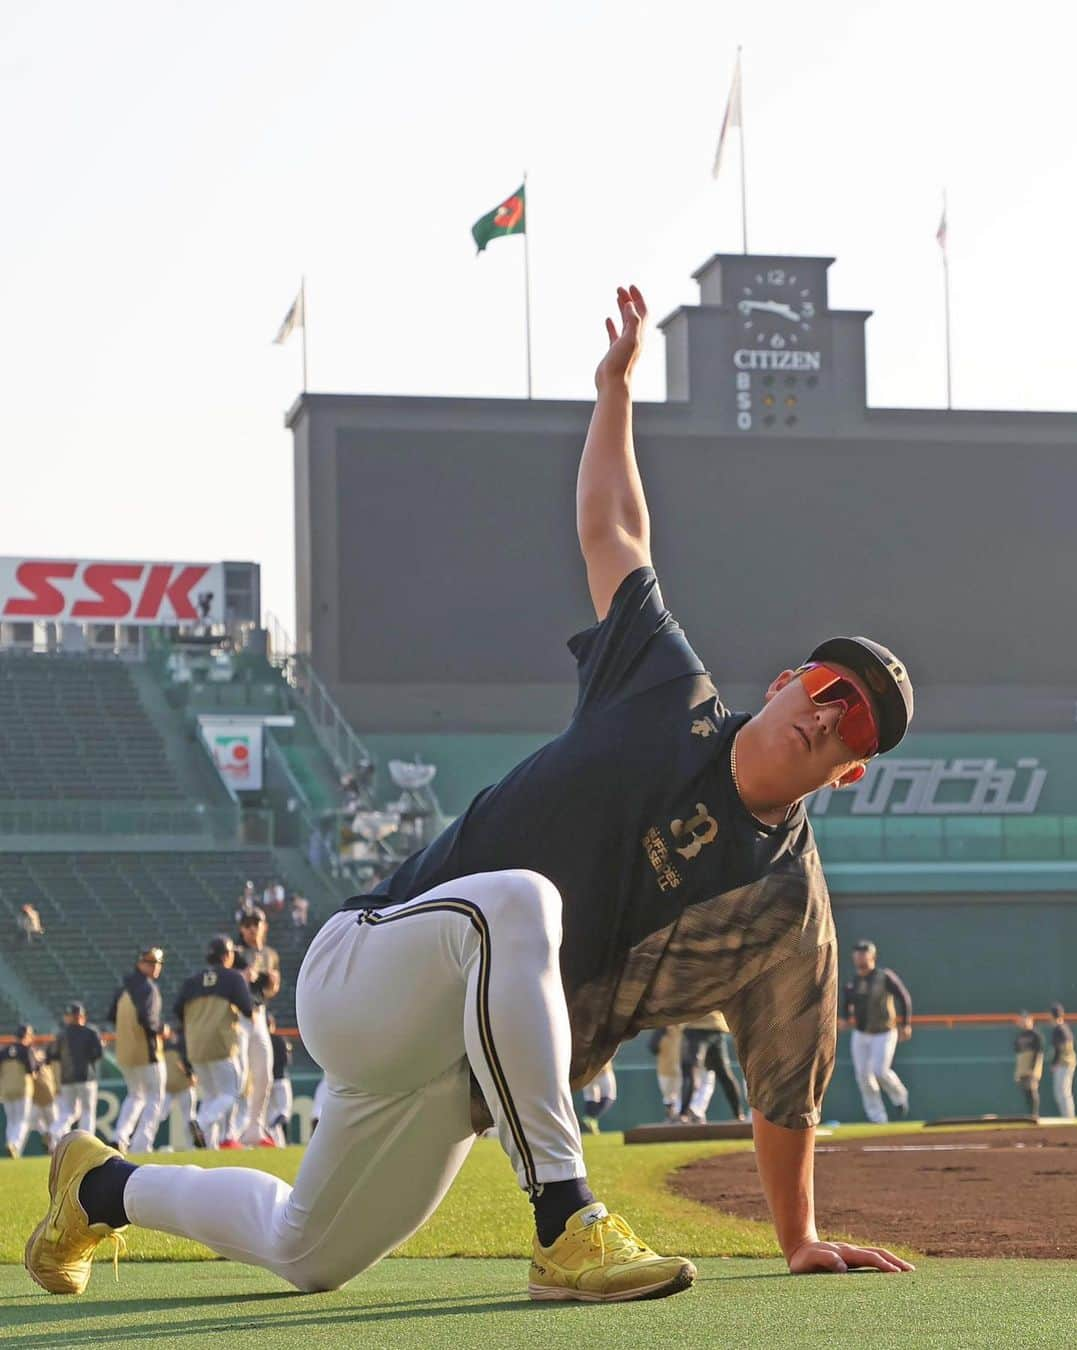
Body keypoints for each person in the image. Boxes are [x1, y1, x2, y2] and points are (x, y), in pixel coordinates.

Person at [26, 283, 915, 1300]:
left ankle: (100, 1187)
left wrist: (798, 1235)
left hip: (454, 1081)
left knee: (306, 1249)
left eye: (857, 731)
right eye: (832, 690)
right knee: (523, 900)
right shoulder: (668, 690)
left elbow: (788, 1084)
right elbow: (614, 530)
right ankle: (567, 1221)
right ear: (789, 679)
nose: (833, 717)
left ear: (850, 769)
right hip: (371, 969)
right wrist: (616, 389)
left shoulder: (785, 903)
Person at [173, 937, 254, 1150]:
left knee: (210, 1096)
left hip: (195, 1047)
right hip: (221, 1045)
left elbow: (177, 1012)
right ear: (227, 956)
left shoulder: (191, 981)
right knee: (230, 1094)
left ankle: (205, 1146)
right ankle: (199, 1123)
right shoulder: (233, 978)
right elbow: (247, 1008)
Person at [841, 941, 912, 1124]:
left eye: (863, 954)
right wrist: (845, 1018)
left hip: (884, 1032)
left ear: (872, 956)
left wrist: (906, 1024)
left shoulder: (884, 976)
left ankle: (900, 1096)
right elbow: (846, 1003)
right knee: (863, 1076)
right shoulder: (853, 982)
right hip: (861, 1033)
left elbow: (904, 997)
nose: (860, 958)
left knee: (880, 1071)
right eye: (857, 955)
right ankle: (878, 1118)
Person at [107, 947, 167, 1155]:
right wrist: (162, 1028)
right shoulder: (148, 988)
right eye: (151, 963)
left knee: (135, 1096)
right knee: (155, 1097)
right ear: (141, 964)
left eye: (157, 963)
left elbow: (110, 1015)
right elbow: (149, 1021)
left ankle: (119, 1137)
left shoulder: (123, 986)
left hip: (124, 1052)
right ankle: (142, 1143)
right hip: (146, 1052)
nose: (155, 967)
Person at [231, 908, 281, 1147]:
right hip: (238, 1017)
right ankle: (232, 1130)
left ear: (264, 926)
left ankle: (255, 1128)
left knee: (264, 1074)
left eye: (256, 923)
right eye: (247, 924)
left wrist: (271, 983)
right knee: (240, 1075)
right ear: (241, 928)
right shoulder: (235, 952)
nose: (252, 928)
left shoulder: (270, 954)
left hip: (259, 1014)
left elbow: (270, 990)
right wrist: (241, 976)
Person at [680, 1012, 747, 1124]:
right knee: (719, 1073)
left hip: (703, 1028)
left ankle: (684, 1114)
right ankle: (738, 1114)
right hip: (708, 1027)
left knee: (695, 1071)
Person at [50, 1004, 104, 1140]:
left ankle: (55, 1130)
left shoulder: (61, 1035)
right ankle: (86, 1142)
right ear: (82, 1016)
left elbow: (53, 1056)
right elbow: (98, 1053)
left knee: (69, 1112)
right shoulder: (90, 1032)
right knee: (87, 1112)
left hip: (67, 1079)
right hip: (86, 1078)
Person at [161, 1029, 205, 1150]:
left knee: (158, 1115)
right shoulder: (185, 1040)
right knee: (189, 1117)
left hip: (168, 1085)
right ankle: (192, 1146)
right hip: (183, 1084)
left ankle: (139, 1145)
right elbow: (182, 1061)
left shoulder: (164, 1043)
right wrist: (190, 1074)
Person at [2, 1025, 40, 1158]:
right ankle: (15, 1145)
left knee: (11, 1121)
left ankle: (11, 1145)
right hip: (22, 1089)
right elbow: (32, 1071)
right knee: (22, 1121)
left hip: (6, 1090)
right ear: (27, 1036)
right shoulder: (26, 1050)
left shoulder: (4, 1051)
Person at [266, 1013, 293, 1147]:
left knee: (271, 1115)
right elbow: (287, 1060)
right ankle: (284, 1142)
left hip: (267, 1082)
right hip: (281, 1080)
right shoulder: (279, 1039)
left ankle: (278, 1142)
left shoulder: (259, 1042)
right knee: (283, 1112)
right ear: (272, 1024)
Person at [650, 1026, 684, 1122]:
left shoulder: (684, 1028)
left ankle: (679, 1118)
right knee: (669, 1096)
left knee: (678, 1095)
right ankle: (672, 1117)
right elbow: (653, 1047)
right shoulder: (661, 1030)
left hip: (680, 1069)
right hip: (665, 1070)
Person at [1048, 1003, 1076, 1120]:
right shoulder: (1065, 1028)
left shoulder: (1058, 1029)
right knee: (1064, 1092)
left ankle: (1068, 1118)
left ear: (1052, 1016)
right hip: (1068, 1063)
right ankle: (1068, 1118)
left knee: (1062, 1093)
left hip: (1063, 1064)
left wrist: (1054, 1063)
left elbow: (1059, 1048)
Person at [1013, 1013, 1044, 1117]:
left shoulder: (1035, 1035)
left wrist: (1033, 1068)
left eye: (1025, 1020)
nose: (1023, 1023)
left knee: (1032, 1090)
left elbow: (1038, 1052)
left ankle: (1035, 1114)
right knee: (1026, 1092)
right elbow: (1018, 1055)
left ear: (1031, 1021)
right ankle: (1030, 1114)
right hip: (1023, 1068)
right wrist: (1018, 1071)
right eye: (1022, 1021)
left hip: (1032, 1068)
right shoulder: (1019, 1036)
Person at [31, 1056, 61, 1155]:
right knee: (37, 1123)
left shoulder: (47, 1067)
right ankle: (49, 1138)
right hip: (41, 1100)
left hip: (48, 1099)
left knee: (54, 1124)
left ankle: (54, 1146)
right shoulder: (40, 1068)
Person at [580, 1059, 616, 1134]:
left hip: (595, 1071)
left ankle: (590, 1121)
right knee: (604, 1097)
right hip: (591, 1070)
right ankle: (590, 1120)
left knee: (595, 1097)